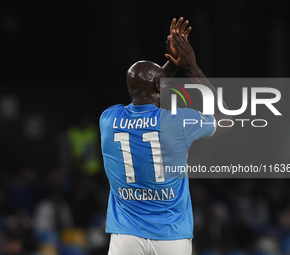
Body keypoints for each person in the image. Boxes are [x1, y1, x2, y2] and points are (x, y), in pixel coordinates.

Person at [99, 17, 232, 255]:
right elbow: (226, 119)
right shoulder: (177, 122)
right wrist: (192, 68)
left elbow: (150, 89)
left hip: (126, 235)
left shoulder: (108, 119)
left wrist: (172, 66)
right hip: (171, 235)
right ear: (160, 86)